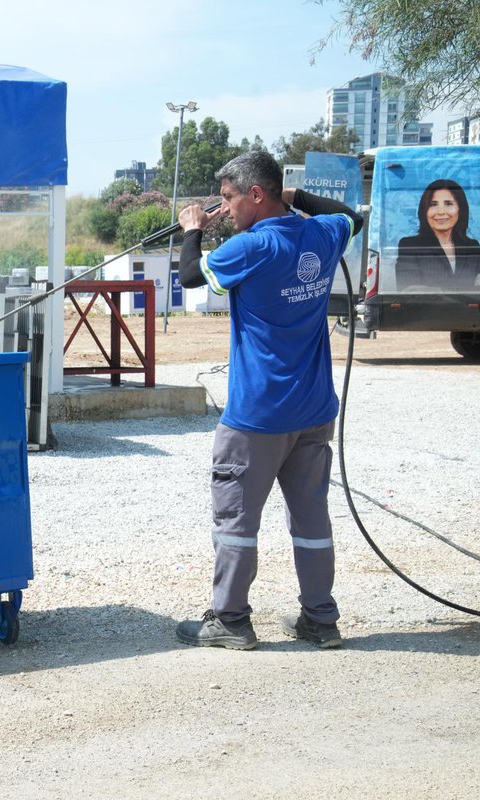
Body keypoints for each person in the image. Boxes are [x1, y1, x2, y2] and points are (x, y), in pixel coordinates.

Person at [172, 150, 364, 650]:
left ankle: (230, 621)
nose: (225, 208)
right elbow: (352, 218)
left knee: (235, 519)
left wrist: (192, 228)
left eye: (230, 198)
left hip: (258, 415)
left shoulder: (251, 247)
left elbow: (191, 276)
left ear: (256, 194)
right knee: (311, 516)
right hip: (314, 410)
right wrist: (293, 196)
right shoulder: (320, 235)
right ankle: (320, 620)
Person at [395, 179, 480, 292]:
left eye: (448, 204)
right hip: (427, 310)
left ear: (460, 209)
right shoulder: (409, 245)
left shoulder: (472, 245)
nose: (441, 212)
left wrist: (437, 290)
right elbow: (409, 289)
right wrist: (470, 287)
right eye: (433, 204)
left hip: (471, 309)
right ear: (424, 210)